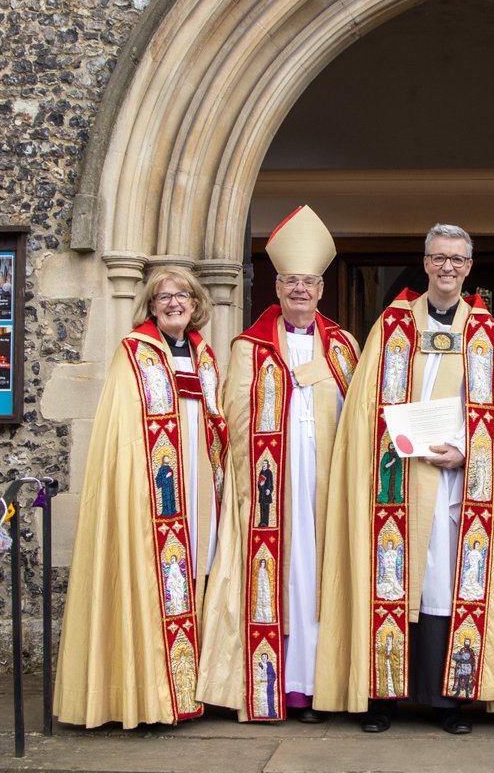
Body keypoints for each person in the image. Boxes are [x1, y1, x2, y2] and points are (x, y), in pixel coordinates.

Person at [314, 223, 494, 734]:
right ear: (425, 262)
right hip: (395, 479)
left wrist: (467, 452)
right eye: (439, 258)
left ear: (468, 266)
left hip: (456, 481)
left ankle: (448, 702)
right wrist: (394, 441)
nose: (447, 267)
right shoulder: (393, 324)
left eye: (457, 259)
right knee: (391, 578)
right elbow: (365, 406)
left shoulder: (483, 330)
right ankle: (381, 699)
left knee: (446, 583)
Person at [198, 206, 359, 723]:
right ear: (276, 286)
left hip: (329, 484)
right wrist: (248, 491)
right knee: (282, 582)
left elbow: (359, 415)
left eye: (308, 282)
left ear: (321, 288)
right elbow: (236, 421)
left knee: (319, 583)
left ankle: (321, 686)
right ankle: (279, 687)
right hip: (274, 491)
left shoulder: (344, 346)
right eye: (290, 282)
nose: (299, 291)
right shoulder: (248, 348)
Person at [55, 265, 229, 728]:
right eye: (163, 297)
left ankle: (192, 689)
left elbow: (216, 420)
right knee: (158, 580)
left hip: (199, 489)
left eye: (183, 296)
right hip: (152, 492)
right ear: (150, 306)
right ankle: (151, 695)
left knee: (198, 574)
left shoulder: (206, 355)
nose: (174, 303)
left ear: (196, 305)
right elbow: (123, 430)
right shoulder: (134, 353)